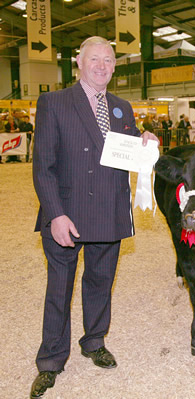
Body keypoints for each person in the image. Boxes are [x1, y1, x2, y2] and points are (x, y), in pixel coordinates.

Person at [30, 36, 158, 399]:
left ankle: (94, 341)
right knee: (59, 289)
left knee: (100, 283)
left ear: (115, 66)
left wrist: (144, 141)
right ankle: (51, 360)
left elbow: (126, 152)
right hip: (66, 214)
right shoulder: (53, 102)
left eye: (108, 60)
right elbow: (43, 167)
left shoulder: (122, 107)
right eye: (94, 59)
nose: (101, 65)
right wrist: (55, 214)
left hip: (109, 211)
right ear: (80, 64)